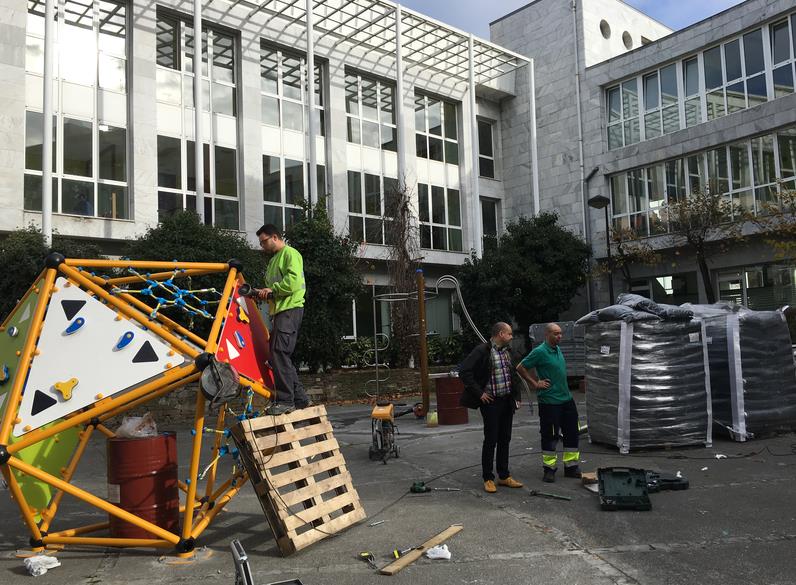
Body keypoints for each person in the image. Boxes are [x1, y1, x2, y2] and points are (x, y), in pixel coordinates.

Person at [459, 322, 524, 493]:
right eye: (509, 334)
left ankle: (504, 475)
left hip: (506, 401)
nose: (511, 337)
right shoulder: (483, 351)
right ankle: (488, 478)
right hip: (491, 403)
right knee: (491, 439)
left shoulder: (508, 352)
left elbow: (513, 375)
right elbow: (464, 371)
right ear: (501, 334)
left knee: (505, 438)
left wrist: (516, 396)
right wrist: (480, 393)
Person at [254, 224, 310, 414]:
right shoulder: (273, 261)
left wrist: (273, 290)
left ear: (275, 237)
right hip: (280, 311)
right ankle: (300, 399)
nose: (262, 245)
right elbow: (273, 289)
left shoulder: (290, 253)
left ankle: (286, 401)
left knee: (279, 353)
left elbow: (292, 282)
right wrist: (262, 293)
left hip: (290, 309)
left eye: (264, 241)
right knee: (279, 355)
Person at [517, 322, 580, 483]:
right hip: (550, 402)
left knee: (572, 433)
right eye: (556, 333)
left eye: (560, 333)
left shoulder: (557, 349)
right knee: (550, 436)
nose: (559, 336)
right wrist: (535, 383)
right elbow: (521, 367)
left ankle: (571, 467)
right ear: (547, 335)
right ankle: (549, 470)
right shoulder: (540, 352)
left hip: (566, 399)